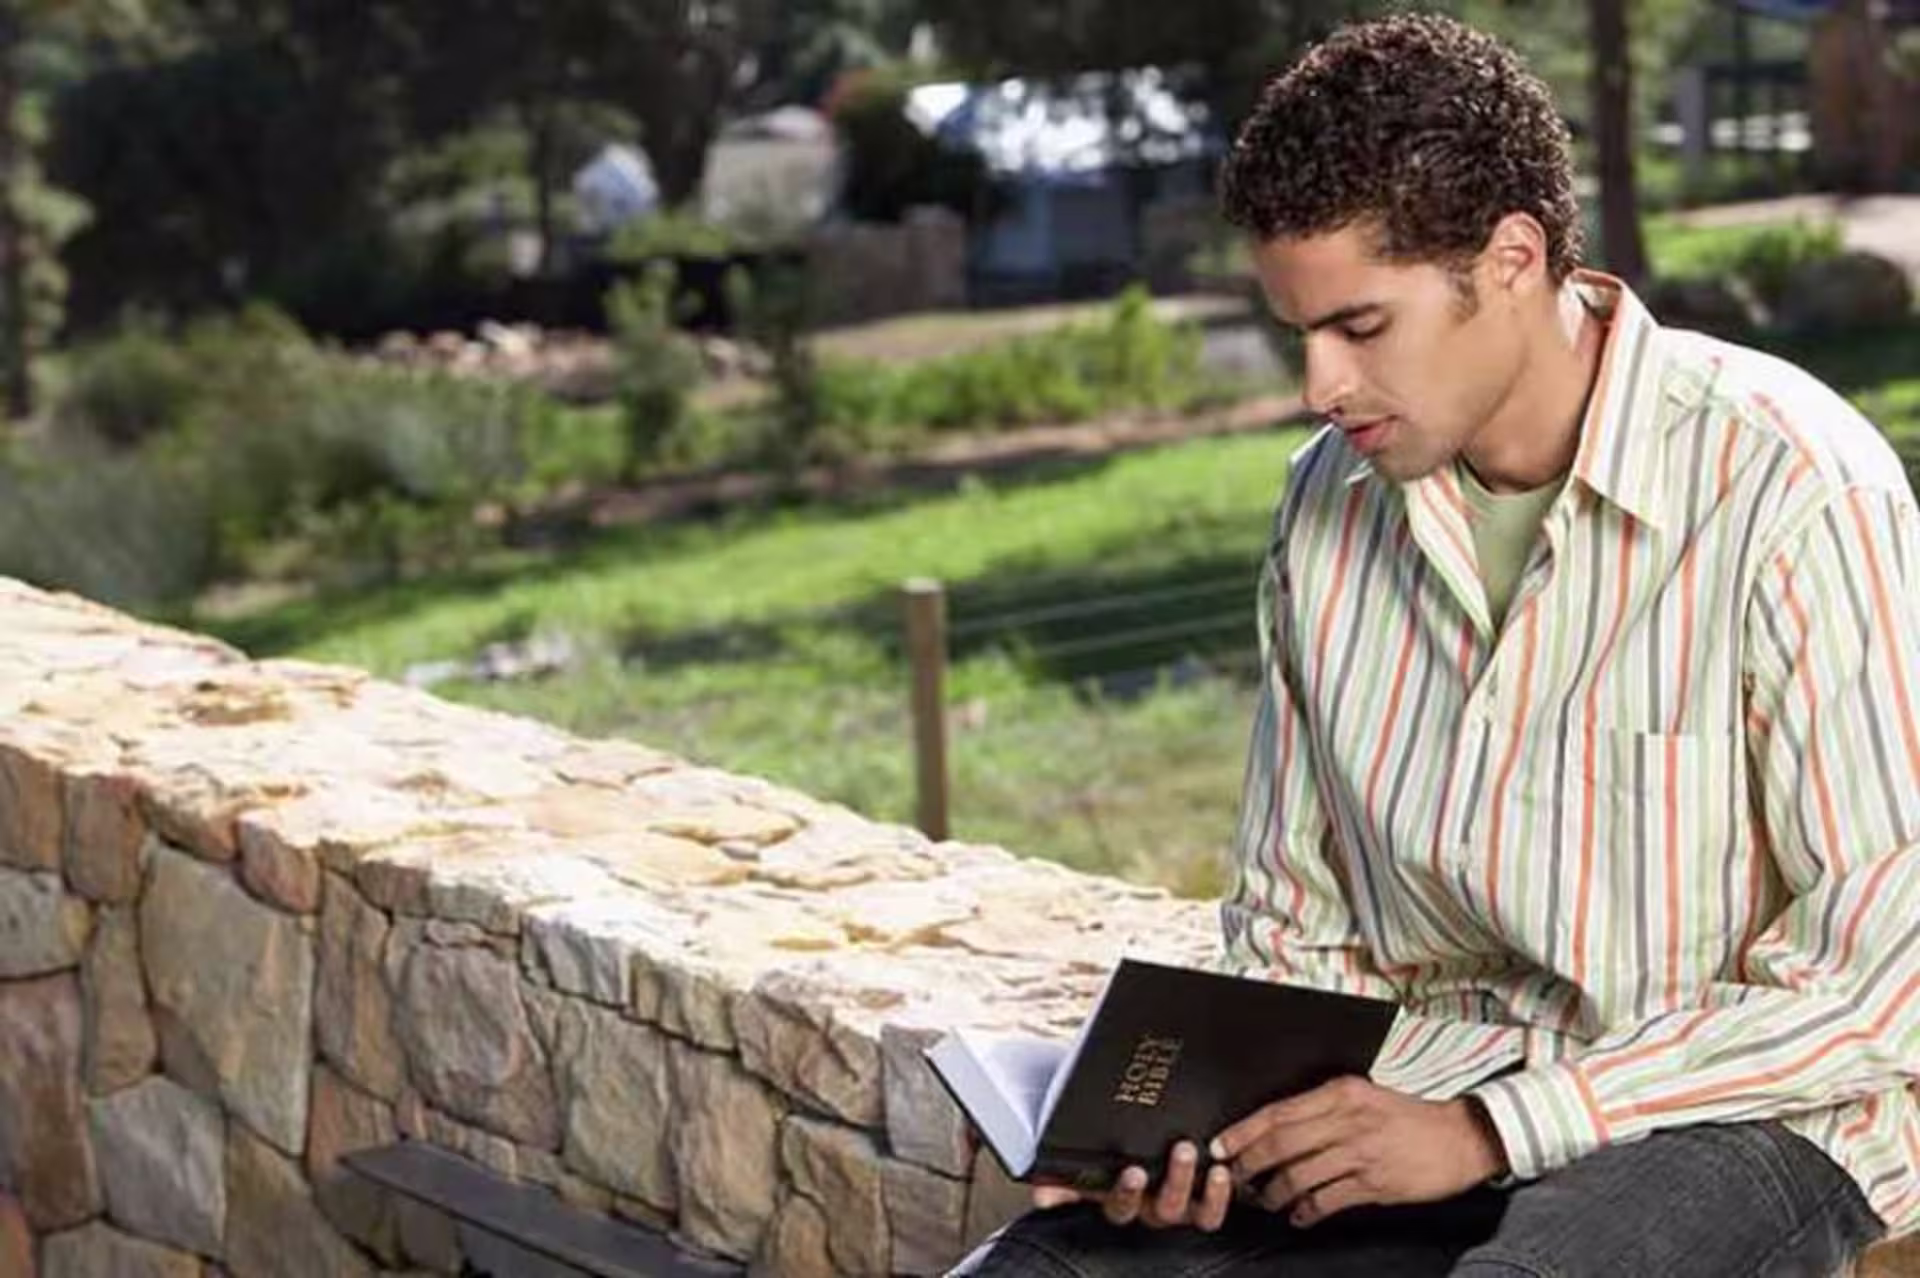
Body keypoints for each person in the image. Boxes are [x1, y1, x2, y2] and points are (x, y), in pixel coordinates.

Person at [959, 13, 1918, 1277]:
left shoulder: (1793, 486)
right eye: (1296, 331)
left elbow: (1886, 975)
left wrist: (1490, 1128)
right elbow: (1293, 925)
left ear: (1512, 260)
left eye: (1360, 328)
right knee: (1044, 1269)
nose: (1319, 386)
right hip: (1420, 1087)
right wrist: (1199, 1133)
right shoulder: (1326, 503)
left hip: (1735, 1106)